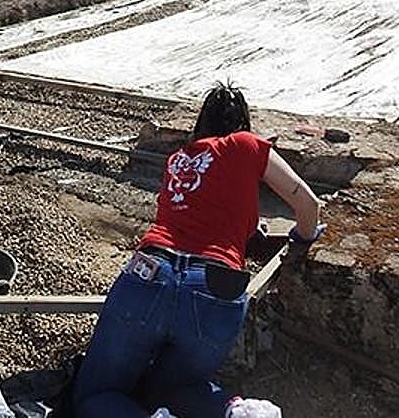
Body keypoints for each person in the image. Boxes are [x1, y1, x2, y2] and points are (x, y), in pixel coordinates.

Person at [73, 84, 324, 418]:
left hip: (152, 273)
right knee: (174, 391)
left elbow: (189, 215)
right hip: (217, 288)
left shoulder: (179, 160)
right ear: (243, 122)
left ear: (202, 122)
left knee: (98, 396)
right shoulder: (246, 144)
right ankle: (238, 413)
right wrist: (303, 237)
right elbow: (307, 202)